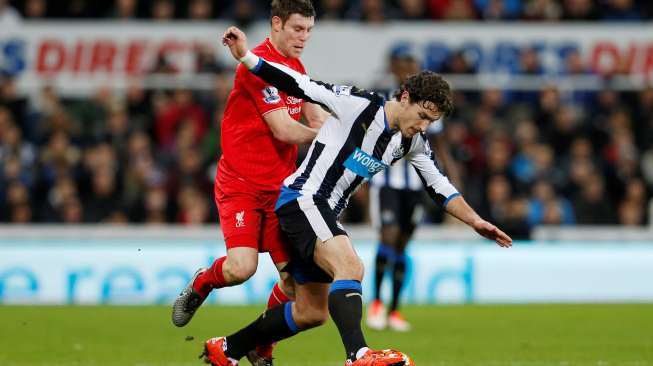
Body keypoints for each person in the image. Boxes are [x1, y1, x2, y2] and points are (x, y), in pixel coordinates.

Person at [198, 26, 512, 366]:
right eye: (422, 116)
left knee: (310, 312)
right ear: (404, 97)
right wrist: (246, 56)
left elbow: (440, 186)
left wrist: (476, 220)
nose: (423, 126)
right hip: (303, 198)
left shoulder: (412, 141)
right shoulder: (356, 104)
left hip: (324, 211)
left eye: (430, 121)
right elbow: (298, 84)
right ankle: (358, 355)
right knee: (351, 265)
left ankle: (226, 349)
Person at [172, 1, 329, 365]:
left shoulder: (296, 67)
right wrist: (321, 137)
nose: (303, 38)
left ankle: (262, 348)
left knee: (294, 287)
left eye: (308, 31)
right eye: (297, 29)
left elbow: (314, 112)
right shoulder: (255, 65)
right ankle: (202, 284)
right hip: (241, 183)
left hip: (280, 191)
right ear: (277, 24)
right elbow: (283, 128)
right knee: (241, 269)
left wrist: (333, 123)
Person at [366, 44, 462, 332]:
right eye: (403, 62)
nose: (408, 68)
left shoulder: (431, 104)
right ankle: (376, 304)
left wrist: (452, 177)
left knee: (403, 243)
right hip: (386, 182)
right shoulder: (382, 99)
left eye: (412, 63)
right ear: (393, 66)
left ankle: (394, 310)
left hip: (415, 185)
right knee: (388, 236)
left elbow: (441, 145)